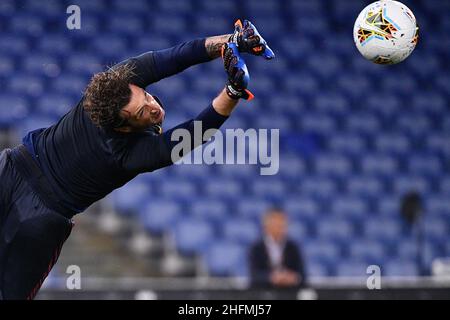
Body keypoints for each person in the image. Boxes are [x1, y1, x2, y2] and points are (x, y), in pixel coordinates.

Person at [0, 20, 274, 300]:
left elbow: (178, 57)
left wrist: (233, 40)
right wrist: (233, 92)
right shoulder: (124, 153)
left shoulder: (118, 89)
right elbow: (195, 134)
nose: (154, 107)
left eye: (146, 96)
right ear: (122, 127)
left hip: (26, 198)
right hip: (26, 193)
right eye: (143, 112)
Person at [249, 208, 306, 288]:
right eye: (275, 223)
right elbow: (254, 276)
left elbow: (302, 275)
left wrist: (292, 278)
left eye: (282, 223)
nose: (280, 227)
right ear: (266, 225)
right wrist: (272, 278)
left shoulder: (293, 248)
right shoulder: (256, 248)